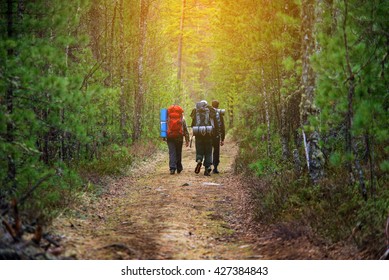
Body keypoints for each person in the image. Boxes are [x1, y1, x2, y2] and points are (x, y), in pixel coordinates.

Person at [190, 100, 216, 176]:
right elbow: (214, 122)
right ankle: (207, 167)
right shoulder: (210, 110)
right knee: (208, 152)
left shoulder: (196, 111)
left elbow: (192, 125)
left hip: (198, 135)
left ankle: (199, 160)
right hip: (208, 134)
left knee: (199, 150)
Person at [166, 105, 190, 175]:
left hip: (170, 136)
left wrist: (164, 137)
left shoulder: (168, 117)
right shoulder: (182, 118)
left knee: (172, 152)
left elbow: (165, 127)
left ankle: (172, 168)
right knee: (178, 152)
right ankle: (179, 168)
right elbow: (185, 129)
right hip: (179, 136)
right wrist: (187, 139)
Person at [211, 100, 225, 174]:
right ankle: (215, 168)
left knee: (209, 151)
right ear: (218, 106)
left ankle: (208, 166)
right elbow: (222, 127)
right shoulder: (219, 114)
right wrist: (222, 138)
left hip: (209, 135)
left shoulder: (209, 113)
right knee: (216, 151)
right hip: (216, 135)